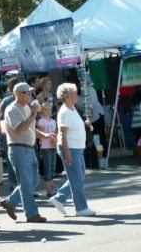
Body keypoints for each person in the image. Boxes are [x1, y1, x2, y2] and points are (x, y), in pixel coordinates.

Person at [0, 82, 56, 223]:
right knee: (26, 182)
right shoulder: (12, 109)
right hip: (18, 148)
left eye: (30, 92)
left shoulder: (26, 108)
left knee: (33, 181)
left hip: (29, 149)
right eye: (27, 93)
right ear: (18, 94)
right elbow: (19, 129)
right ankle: (31, 214)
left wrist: (45, 135)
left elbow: (31, 129)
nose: (31, 95)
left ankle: (10, 202)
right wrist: (33, 114)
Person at [49, 83, 96, 217]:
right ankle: (81, 208)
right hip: (70, 149)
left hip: (77, 149)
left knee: (78, 178)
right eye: (75, 93)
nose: (77, 95)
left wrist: (85, 124)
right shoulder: (64, 112)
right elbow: (63, 134)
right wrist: (67, 154)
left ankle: (59, 198)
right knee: (77, 179)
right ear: (69, 96)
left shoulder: (72, 109)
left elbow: (72, 127)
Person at [37, 103, 58, 197]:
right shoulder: (41, 121)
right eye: (46, 109)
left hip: (53, 146)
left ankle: (52, 184)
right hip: (45, 147)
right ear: (42, 111)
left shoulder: (53, 121)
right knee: (47, 167)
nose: (48, 111)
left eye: (50, 109)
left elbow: (56, 132)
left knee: (53, 167)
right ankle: (48, 188)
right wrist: (51, 137)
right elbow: (41, 134)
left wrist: (55, 137)